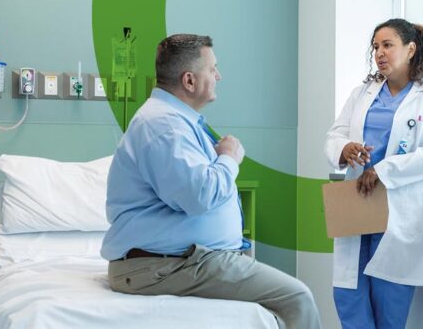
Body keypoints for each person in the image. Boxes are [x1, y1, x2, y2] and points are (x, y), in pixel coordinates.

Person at [103, 34, 321, 329]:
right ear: (190, 81)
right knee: (297, 297)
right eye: (213, 69)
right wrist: (229, 157)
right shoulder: (164, 126)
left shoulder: (173, 121)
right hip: (166, 266)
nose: (219, 75)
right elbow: (199, 195)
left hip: (179, 260)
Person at [324, 19, 423, 329]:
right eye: (375, 47)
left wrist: (383, 171)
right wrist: (343, 149)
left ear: (410, 49)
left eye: (387, 45)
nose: (379, 53)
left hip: (399, 207)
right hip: (358, 203)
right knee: (347, 294)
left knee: (390, 302)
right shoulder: (362, 93)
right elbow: (335, 135)